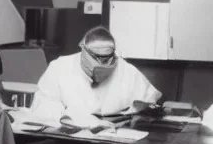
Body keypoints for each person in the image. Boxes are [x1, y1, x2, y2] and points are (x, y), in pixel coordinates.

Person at [30, 26, 161, 124]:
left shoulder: (126, 70)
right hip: (71, 135)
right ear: (84, 50)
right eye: (97, 57)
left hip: (115, 135)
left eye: (107, 57)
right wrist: (68, 118)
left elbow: (148, 101)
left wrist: (142, 109)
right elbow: (43, 106)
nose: (102, 63)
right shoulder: (60, 67)